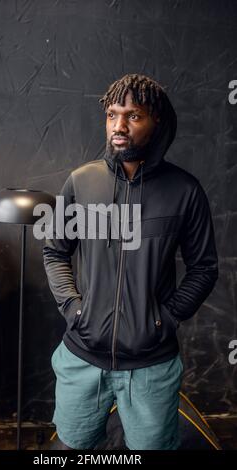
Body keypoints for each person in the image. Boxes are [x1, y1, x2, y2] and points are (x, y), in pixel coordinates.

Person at [43, 73, 218, 450]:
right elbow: (55, 251)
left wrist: (165, 318)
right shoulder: (81, 182)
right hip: (81, 360)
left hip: (151, 368)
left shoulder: (184, 191)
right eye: (112, 114)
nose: (118, 126)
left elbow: (204, 267)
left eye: (134, 116)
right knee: (72, 449)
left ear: (158, 123)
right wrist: (75, 310)